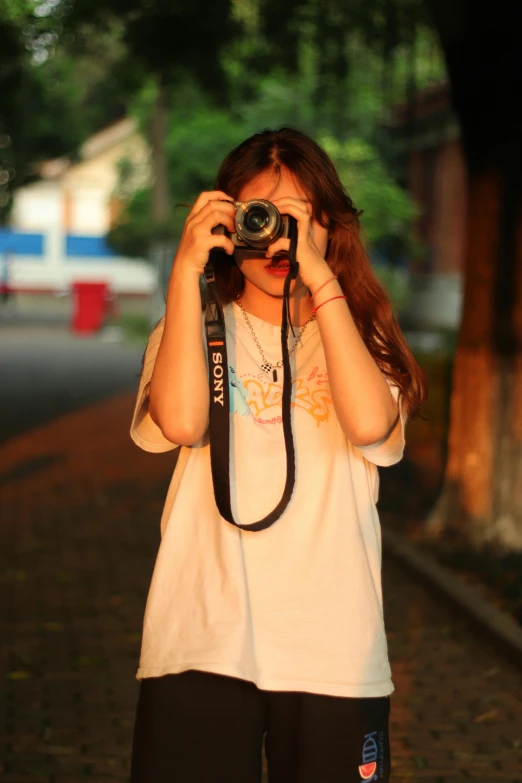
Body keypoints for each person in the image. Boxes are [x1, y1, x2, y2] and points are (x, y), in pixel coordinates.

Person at [129, 127, 427, 783]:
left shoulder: (358, 335)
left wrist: (319, 279)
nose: (276, 238)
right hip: (203, 636)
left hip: (333, 649)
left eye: (295, 217)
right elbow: (179, 421)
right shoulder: (192, 324)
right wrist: (185, 271)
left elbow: (374, 425)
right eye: (259, 215)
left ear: (329, 227)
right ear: (228, 224)